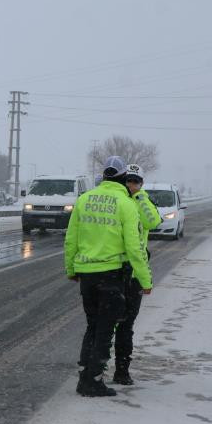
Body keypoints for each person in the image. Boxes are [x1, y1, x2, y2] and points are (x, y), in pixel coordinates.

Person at [65, 156, 153, 397]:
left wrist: (71, 270)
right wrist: (145, 280)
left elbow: (71, 239)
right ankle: (92, 381)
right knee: (106, 329)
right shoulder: (125, 204)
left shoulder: (83, 200)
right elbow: (135, 249)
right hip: (112, 276)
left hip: (87, 276)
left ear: (103, 175)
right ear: (124, 176)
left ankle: (86, 373)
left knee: (93, 325)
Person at [110, 163, 160, 385]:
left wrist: (140, 198)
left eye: (135, 181)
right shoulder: (117, 200)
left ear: (141, 184)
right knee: (106, 322)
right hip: (113, 268)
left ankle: (122, 369)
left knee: (126, 324)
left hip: (135, 269)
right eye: (128, 180)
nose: (131, 185)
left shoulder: (143, 202)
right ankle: (98, 365)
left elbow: (153, 221)